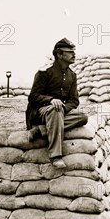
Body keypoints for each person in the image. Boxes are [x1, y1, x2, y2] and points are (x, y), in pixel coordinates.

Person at [26, 38, 88, 169]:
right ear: (59, 54)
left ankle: (40, 130)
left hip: (59, 112)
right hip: (40, 112)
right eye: (70, 52)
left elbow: (74, 100)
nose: (74, 55)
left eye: (73, 52)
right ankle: (55, 156)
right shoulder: (45, 72)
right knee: (55, 111)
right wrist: (50, 100)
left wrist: (63, 108)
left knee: (82, 116)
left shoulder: (72, 75)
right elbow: (33, 97)